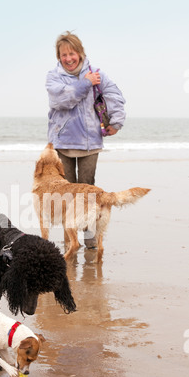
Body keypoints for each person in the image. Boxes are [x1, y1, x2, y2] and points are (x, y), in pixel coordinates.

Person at [46, 31, 126, 248]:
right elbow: (61, 101)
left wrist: (116, 122)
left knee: (88, 193)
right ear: (58, 57)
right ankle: (69, 244)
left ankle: (90, 242)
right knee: (67, 196)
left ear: (80, 53)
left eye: (72, 53)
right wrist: (84, 84)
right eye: (63, 55)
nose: (68, 58)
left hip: (90, 144)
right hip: (62, 144)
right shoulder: (53, 77)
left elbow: (114, 96)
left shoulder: (97, 74)